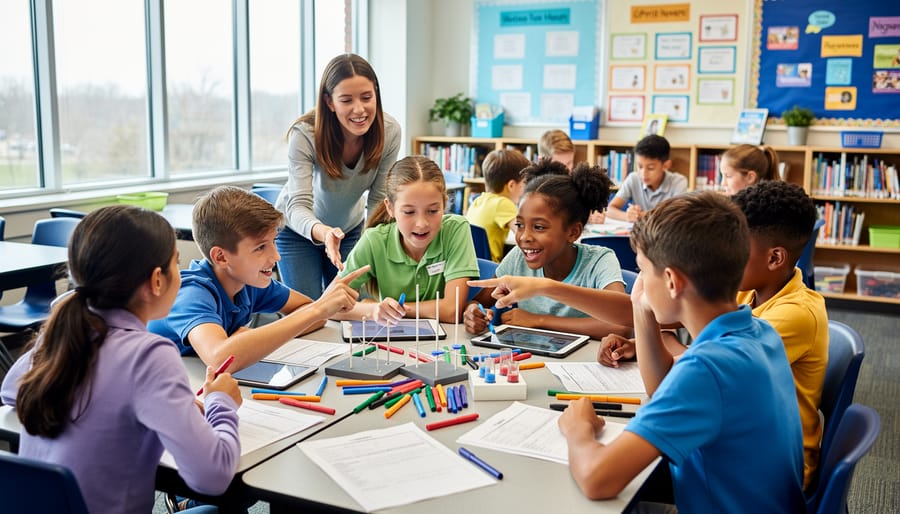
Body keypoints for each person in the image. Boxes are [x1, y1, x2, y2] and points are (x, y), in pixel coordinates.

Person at [471, 192, 805, 512]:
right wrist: (641, 309)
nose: (639, 282)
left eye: (643, 270)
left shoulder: (708, 369)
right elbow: (661, 391)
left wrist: (578, 430)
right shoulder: (758, 333)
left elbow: (597, 479)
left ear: (672, 281)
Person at [1, 205, 241, 514]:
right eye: (177, 265)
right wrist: (220, 402)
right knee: (224, 508)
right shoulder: (150, 354)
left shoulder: (64, 330)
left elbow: (9, 390)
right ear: (157, 280)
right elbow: (213, 478)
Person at [599, 181, 828, 489]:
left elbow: (680, 376)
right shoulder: (749, 303)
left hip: (763, 475)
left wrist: (578, 430)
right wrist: (652, 331)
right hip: (746, 454)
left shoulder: (789, 316)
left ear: (774, 259)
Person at [149, 186, 367, 372]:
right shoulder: (192, 293)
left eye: (274, 241)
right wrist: (318, 309)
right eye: (261, 247)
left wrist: (250, 340)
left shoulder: (248, 282)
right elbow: (220, 359)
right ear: (221, 257)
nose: (276, 256)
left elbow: (312, 316)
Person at [275, 53, 401, 299]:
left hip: (350, 230)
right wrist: (325, 233)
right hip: (297, 232)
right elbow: (298, 205)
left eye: (367, 97)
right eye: (346, 100)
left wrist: (370, 243)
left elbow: (378, 201)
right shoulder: (305, 135)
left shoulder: (390, 132)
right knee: (310, 314)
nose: (359, 109)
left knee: (354, 306)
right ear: (329, 102)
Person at [464, 162, 631, 340]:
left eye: (539, 227)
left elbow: (622, 325)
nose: (524, 237)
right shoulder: (518, 258)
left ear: (573, 232)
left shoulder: (599, 261)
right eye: (519, 225)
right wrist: (473, 312)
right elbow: (478, 303)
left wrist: (539, 320)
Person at [336, 155, 479, 324]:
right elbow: (328, 306)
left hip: (443, 344)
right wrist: (372, 309)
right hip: (390, 342)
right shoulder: (375, 240)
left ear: (444, 204)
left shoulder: (456, 229)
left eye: (433, 211)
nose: (421, 224)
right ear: (390, 208)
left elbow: (451, 311)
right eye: (409, 212)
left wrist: (388, 310)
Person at [465, 148, 530, 262]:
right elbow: (524, 233)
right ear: (511, 185)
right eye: (524, 184)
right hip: (492, 269)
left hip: (473, 266)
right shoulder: (502, 203)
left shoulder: (477, 200)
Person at [606, 134, 687, 222]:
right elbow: (610, 209)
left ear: (666, 165)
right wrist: (627, 216)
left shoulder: (679, 182)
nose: (643, 173)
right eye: (640, 166)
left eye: (650, 168)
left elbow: (677, 216)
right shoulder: (633, 178)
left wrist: (641, 215)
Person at [537, 129, 606, 223]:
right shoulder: (532, 189)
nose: (567, 170)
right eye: (560, 165)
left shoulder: (573, 183)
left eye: (569, 163)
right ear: (541, 161)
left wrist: (592, 214)